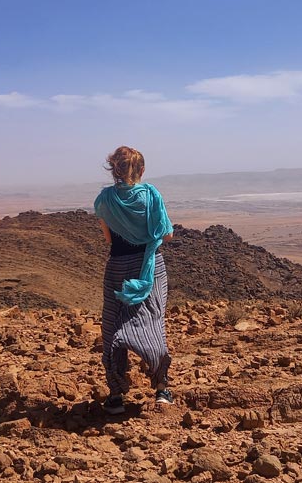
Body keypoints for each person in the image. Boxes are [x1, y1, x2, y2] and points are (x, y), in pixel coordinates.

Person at [93, 145, 174, 415]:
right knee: (153, 321)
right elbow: (167, 235)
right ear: (141, 170)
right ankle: (162, 388)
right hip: (149, 268)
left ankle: (116, 395)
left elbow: (107, 238)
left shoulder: (105, 200)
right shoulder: (151, 195)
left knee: (114, 326)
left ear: (113, 169)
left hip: (118, 268)